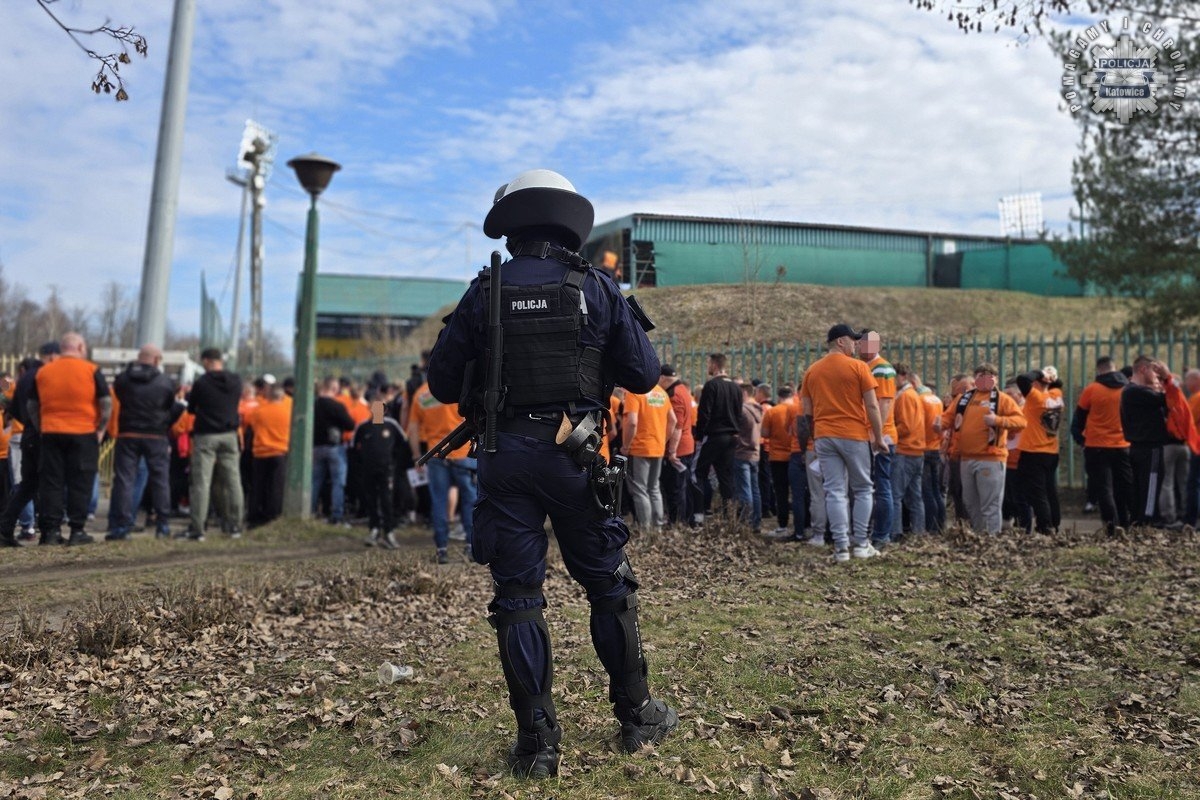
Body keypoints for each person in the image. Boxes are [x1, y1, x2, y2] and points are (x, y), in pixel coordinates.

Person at [425, 169, 676, 776]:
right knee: (608, 584)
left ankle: (538, 744)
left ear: (512, 228)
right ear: (567, 224)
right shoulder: (596, 287)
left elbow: (438, 381)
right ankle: (638, 715)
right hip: (577, 458)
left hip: (506, 460)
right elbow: (645, 373)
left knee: (517, 598)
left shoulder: (484, 291)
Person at [799, 324, 887, 562]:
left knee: (834, 491)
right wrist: (878, 438)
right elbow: (871, 405)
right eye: (853, 340)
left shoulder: (812, 371)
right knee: (862, 489)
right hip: (854, 435)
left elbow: (806, 412)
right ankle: (860, 544)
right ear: (840, 341)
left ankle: (840, 548)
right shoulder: (859, 367)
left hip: (824, 436)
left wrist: (813, 438)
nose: (856, 344)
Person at [28, 333, 111, 546]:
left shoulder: (43, 372)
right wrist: (101, 429)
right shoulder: (91, 370)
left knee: (51, 483)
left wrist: (42, 427)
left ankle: (51, 532)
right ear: (81, 347)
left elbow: (32, 406)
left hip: (51, 432)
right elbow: (105, 403)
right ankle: (77, 530)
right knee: (80, 482)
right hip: (83, 433)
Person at [108, 344, 186, 540]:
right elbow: (170, 406)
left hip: (128, 434)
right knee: (160, 480)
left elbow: (119, 396)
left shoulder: (123, 380)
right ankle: (162, 525)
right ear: (157, 360)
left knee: (124, 480)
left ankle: (122, 526)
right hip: (156, 435)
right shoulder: (166, 382)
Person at [941, 363, 1025, 534]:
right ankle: (980, 534)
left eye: (989, 376)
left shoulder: (1003, 399)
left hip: (991, 458)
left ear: (995, 379)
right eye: (980, 375)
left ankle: (991, 538)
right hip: (966, 458)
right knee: (970, 502)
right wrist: (937, 424)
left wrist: (998, 421)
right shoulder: (963, 399)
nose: (984, 379)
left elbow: (1021, 422)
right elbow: (947, 419)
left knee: (990, 504)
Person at [408, 379, 475, 563]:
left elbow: (412, 428)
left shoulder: (421, 394)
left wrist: (416, 455)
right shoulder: (459, 386)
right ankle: (471, 546)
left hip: (436, 455)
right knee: (470, 501)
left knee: (438, 501)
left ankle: (441, 549)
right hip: (463, 453)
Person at [1070, 356, 1133, 535]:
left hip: (1096, 446)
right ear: (1115, 368)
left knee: (1104, 488)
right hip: (1123, 444)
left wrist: (1082, 441)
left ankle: (1111, 527)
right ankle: (1127, 524)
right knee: (1124, 487)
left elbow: (1078, 420)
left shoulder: (1092, 389)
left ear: (1099, 370)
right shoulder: (1127, 389)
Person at [0, 348, 57, 546]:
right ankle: (45, 530)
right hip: (40, 434)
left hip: (23, 436)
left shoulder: (20, 383)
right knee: (46, 484)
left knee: (25, 485)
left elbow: (11, 407)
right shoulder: (44, 378)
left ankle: (12, 528)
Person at [186, 347, 244, 541]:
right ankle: (235, 525)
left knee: (202, 483)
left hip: (206, 436)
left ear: (207, 361)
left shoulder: (202, 382)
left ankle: (198, 528)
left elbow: (191, 408)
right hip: (229, 435)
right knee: (233, 481)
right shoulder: (236, 380)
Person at [857, 330, 898, 546]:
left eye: (860, 343)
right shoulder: (868, 367)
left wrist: (877, 434)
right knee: (874, 486)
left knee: (882, 486)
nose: (857, 347)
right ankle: (876, 532)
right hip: (872, 433)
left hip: (881, 436)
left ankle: (882, 535)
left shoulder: (882, 368)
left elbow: (884, 402)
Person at [1121, 355, 1170, 526]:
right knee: (1151, 487)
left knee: (1141, 487)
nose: (1157, 376)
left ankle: (1139, 520)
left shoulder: (1130, 391)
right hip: (1150, 447)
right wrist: (1167, 377)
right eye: (1154, 371)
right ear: (1143, 369)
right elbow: (1168, 400)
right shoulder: (1137, 391)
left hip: (1139, 447)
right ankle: (1147, 522)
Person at [693, 353, 742, 521]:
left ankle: (698, 514)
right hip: (731, 437)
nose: (708, 367)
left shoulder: (711, 386)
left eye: (708, 363)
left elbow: (704, 413)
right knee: (725, 476)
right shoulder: (736, 388)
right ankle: (730, 515)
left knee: (698, 472)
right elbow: (738, 413)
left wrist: (699, 435)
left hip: (714, 435)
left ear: (714, 365)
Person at [621, 379, 675, 530]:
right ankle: (657, 527)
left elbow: (632, 422)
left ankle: (645, 530)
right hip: (657, 447)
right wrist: (662, 440)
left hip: (639, 447)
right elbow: (673, 420)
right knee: (654, 487)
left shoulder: (635, 393)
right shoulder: (662, 393)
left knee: (640, 489)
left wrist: (626, 446)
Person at [1015, 369, 1064, 534]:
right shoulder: (1056, 396)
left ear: (1036, 383)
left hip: (1034, 451)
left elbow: (1022, 379)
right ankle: (1054, 522)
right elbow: (1058, 384)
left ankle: (1044, 526)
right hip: (1051, 451)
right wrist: (1050, 378)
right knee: (1050, 489)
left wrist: (1039, 372)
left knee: (1038, 492)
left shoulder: (1037, 398)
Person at [355, 402, 404, 549]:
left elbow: (403, 443)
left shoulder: (392, 425)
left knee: (386, 499)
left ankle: (389, 531)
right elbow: (354, 446)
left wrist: (394, 463)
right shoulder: (363, 427)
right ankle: (374, 529)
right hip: (368, 470)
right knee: (371, 499)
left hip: (387, 469)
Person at [246, 382, 292, 527]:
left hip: (261, 452)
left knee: (258, 486)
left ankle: (254, 516)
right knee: (276, 488)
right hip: (280, 452)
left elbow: (250, 423)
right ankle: (273, 516)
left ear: (268, 396)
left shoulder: (259, 411)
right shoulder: (288, 411)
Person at [312, 377, 355, 525]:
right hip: (335, 447)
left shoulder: (313, 405)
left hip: (316, 447)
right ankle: (337, 515)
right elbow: (350, 424)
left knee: (315, 482)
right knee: (338, 482)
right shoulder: (337, 406)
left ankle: (310, 512)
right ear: (335, 388)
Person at [891, 364, 927, 537]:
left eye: (892, 377)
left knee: (895, 495)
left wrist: (887, 435)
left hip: (904, 450)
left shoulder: (905, 397)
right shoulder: (913, 394)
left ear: (902, 376)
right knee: (914, 496)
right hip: (916, 450)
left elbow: (905, 426)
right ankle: (919, 531)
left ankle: (895, 532)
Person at [657, 366, 695, 526]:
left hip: (678, 449)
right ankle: (685, 518)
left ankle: (676, 521)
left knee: (675, 488)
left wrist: (671, 451)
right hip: (687, 445)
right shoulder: (683, 389)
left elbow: (676, 427)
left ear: (664, 378)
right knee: (682, 486)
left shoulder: (674, 395)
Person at [733, 382, 763, 531]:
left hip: (742, 453)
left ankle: (746, 523)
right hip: (755, 454)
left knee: (745, 490)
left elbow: (735, 430)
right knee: (755, 490)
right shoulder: (758, 409)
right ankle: (756, 522)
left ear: (744, 393)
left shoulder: (742, 410)